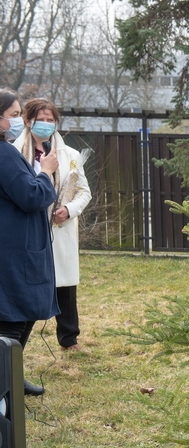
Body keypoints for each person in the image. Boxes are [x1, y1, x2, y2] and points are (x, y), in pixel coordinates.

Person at [14, 98, 91, 352]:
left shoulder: (70, 155)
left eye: (51, 120)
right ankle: (16, 340)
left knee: (65, 286)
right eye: (41, 120)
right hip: (27, 229)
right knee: (29, 283)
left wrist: (68, 210)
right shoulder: (14, 153)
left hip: (60, 229)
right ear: (27, 120)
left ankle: (69, 338)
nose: (47, 125)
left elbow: (84, 192)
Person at [0, 89, 60, 396]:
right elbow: (32, 196)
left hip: (15, 248)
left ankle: (12, 376)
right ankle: (5, 383)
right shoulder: (5, 153)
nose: (16, 121)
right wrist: (46, 172)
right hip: (13, 253)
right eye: (12, 115)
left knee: (23, 315)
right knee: (12, 319)